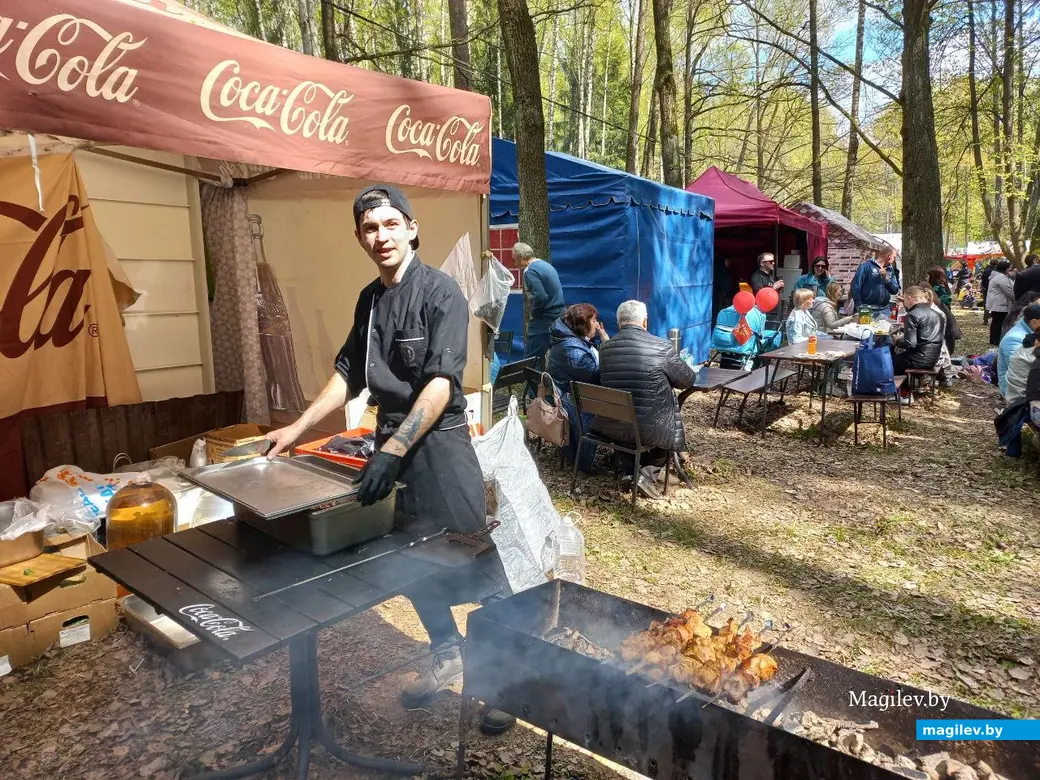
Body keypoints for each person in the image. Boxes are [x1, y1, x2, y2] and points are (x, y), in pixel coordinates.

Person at [263, 185, 514, 735]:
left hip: (440, 449)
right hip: (389, 449)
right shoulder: (368, 301)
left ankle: (503, 681)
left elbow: (443, 385)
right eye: (369, 228)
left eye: (390, 224)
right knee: (408, 557)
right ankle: (446, 651)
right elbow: (348, 374)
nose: (381, 236)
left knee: (473, 560)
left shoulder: (441, 292)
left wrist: (395, 449)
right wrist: (298, 427)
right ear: (360, 238)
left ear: (412, 228)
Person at [591, 300, 696, 493]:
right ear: (645, 322)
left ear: (619, 322)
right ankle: (645, 476)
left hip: (612, 425)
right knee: (665, 428)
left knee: (634, 427)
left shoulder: (605, 350)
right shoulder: (662, 347)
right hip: (652, 428)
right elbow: (688, 380)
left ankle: (630, 473)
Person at [546, 303, 608, 472]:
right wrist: (606, 345)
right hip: (573, 403)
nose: (596, 324)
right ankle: (585, 460)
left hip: (571, 397)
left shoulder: (573, 341)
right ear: (583, 324)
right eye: (594, 320)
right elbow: (597, 376)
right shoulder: (571, 349)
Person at [514, 242, 565, 371]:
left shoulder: (530, 271)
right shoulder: (546, 266)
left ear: (521, 257)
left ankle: (535, 391)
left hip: (543, 320)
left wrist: (534, 313)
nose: (515, 264)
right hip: (559, 317)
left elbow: (541, 296)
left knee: (532, 360)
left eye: (515, 259)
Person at [891, 286, 944, 376]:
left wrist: (897, 341)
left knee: (885, 361)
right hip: (933, 358)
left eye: (905, 300)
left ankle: (888, 388)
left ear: (909, 299)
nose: (904, 303)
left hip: (917, 360)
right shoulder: (938, 314)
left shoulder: (912, 314)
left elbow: (910, 343)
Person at [998, 302, 1040, 399]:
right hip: (1017, 395)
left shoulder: (1028, 332)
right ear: (1034, 322)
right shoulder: (1015, 338)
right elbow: (1019, 375)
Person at [850, 246, 900, 311]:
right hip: (867, 308)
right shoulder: (866, 266)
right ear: (889, 256)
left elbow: (895, 290)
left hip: (885, 309)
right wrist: (859, 304)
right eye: (894, 257)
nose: (894, 260)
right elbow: (856, 285)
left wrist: (886, 278)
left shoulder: (890, 269)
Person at [987, 260, 1016, 345]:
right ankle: (996, 340)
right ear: (1005, 269)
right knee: (999, 323)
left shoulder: (999, 277)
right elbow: (1010, 292)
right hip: (1000, 304)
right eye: (1010, 268)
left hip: (997, 303)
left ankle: (993, 339)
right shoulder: (1001, 278)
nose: (1011, 270)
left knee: (996, 322)